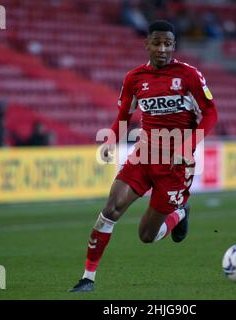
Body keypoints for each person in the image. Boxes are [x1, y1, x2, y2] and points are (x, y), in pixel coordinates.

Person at [69, 20, 218, 292]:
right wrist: (112, 139)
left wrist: (188, 147)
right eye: (157, 43)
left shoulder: (189, 76)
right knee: (110, 209)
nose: (162, 49)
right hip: (143, 156)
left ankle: (180, 213)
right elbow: (124, 115)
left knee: (147, 236)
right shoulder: (134, 78)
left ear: (174, 46)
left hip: (174, 164)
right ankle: (87, 278)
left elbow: (210, 113)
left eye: (168, 44)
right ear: (147, 44)